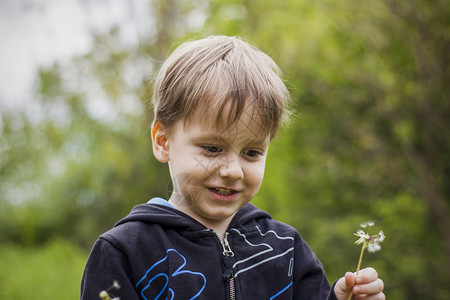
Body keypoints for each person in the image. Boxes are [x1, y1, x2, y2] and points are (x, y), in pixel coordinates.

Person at [81, 35, 384, 300]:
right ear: (163, 141)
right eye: (212, 148)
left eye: (251, 152)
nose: (234, 171)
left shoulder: (286, 248)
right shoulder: (125, 252)